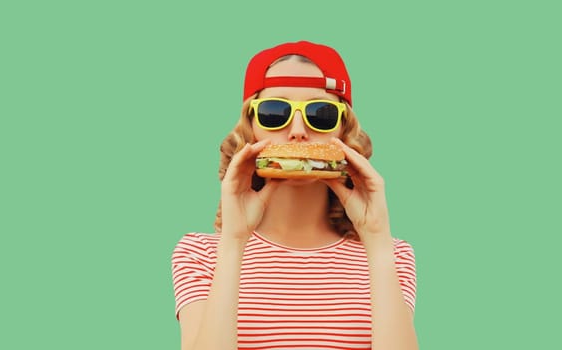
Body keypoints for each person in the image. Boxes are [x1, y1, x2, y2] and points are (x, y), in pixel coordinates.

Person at [171, 40, 418, 350]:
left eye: (321, 113)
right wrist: (234, 243)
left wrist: (377, 237)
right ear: (250, 130)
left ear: (343, 130)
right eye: (275, 112)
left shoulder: (392, 254)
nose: (298, 130)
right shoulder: (200, 254)